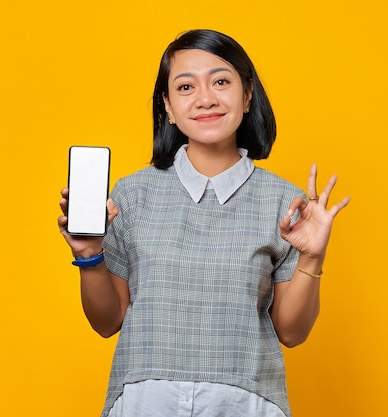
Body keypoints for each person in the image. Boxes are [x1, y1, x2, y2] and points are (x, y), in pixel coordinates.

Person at [58, 29, 350, 417]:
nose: (206, 98)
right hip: (146, 402)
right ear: (168, 106)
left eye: (221, 81)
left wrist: (312, 257)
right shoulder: (131, 195)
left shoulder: (286, 202)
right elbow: (107, 321)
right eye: (185, 87)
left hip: (246, 403)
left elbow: (292, 333)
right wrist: (90, 254)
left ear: (247, 95)